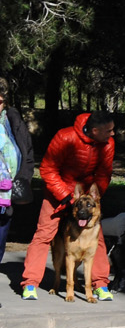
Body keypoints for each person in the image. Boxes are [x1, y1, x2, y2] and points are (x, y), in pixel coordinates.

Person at [20, 111, 115, 300]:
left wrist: (94, 200)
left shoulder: (107, 144)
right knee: (44, 234)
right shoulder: (65, 136)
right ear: (94, 130)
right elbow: (48, 168)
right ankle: (30, 283)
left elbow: (104, 174)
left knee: (98, 238)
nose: (112, 134)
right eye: (108, 131)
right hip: (58, 193)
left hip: (85, 195)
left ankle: (100, 284)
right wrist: (65, 196)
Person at [0, 77, 35, 271]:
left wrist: (23, 179)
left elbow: (27, 153)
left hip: (6, 197)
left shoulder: (13, 121)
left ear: (4, 101)